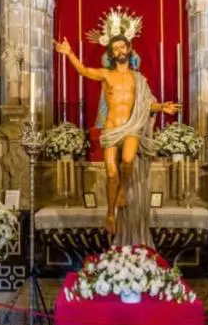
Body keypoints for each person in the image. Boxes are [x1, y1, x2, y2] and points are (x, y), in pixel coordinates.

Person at [53, 35, 179, 242]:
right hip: (111, 127)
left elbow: (147, 104)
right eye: (116, 48)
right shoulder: (106, 75)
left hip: (131, 128)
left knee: (128, 160)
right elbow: (84, 71)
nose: (120, 51)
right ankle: (110, 213)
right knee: (111, 172)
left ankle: (122, 190)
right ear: (111, 54)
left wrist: (162, 107)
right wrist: (69, 54)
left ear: (129, 49)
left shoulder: (138, 79)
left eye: (122, 47)